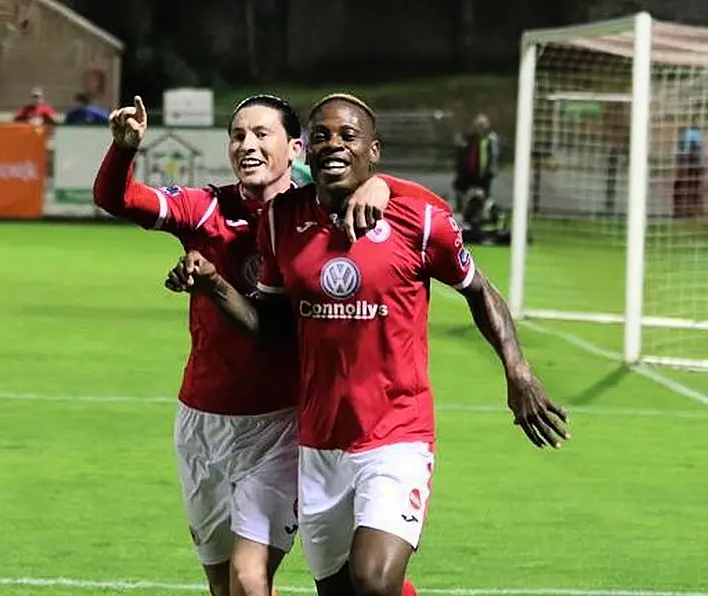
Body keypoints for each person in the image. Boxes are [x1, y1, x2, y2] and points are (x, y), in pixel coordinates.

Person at [167, 94, 571, 596]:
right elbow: (270, 329)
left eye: (347, 136)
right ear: (305, 153)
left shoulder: (419, 219)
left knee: (373, 579)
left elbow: (478, 289)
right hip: (319, 444)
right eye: (321, 136)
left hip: (396, 437)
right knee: (341, 589)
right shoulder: (281, 221)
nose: (333, 145)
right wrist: (216, 288)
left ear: (373, 151)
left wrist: (518, 371)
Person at [92, 93, 429, 596]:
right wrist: (123, 150)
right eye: (237, 135)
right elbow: (118, 198)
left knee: (253, 578)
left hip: (279, 425)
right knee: (226, 585)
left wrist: (382, 184)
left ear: (295, 148)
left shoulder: (318, 212)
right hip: (201, 423)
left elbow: (403, 201)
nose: (246, 145)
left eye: (260, 134)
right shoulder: (205, 208)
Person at [453, 113, 499, 214]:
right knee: (460, 190)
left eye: (483, 125)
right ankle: (462, 212)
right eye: (479, 125)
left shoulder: (491, 140)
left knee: (482, 196)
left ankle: (481, 215)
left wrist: (490, 171)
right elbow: (462, 156)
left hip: (483, 175)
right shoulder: (469, 139)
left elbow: (494, 157)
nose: (481, 128)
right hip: (468, 175)